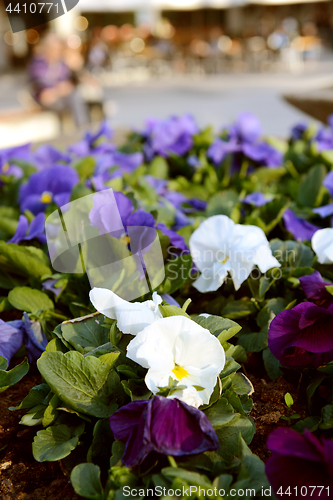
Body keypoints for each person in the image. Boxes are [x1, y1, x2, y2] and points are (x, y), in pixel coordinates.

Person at [28, 33, 89, 128]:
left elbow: (71, 82)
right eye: (54, 49)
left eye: (59, 49)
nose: (57, 52)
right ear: (47, 49)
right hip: (45, 97)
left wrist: (76, 67)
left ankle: (83, 127)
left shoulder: (63, 63)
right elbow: (40, 85)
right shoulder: (38, 63)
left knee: (76, 96)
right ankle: (76, 129)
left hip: (60, 96)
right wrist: (59, 89)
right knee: (57, 100)